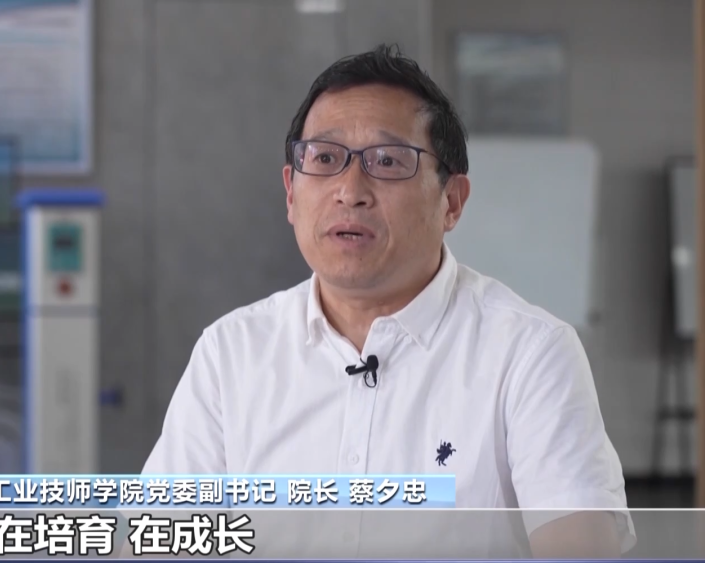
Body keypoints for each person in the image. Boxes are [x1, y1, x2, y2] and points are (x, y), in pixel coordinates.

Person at [141, 44, 634, 557]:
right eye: (325, 158)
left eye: (388, 161)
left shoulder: (530, 354)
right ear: (291, 192)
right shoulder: (231, 353)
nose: (350, 191)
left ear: (452, 201)